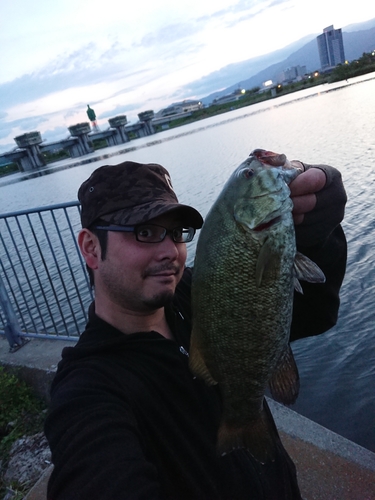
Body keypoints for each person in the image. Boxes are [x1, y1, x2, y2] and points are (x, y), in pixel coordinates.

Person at [44, 159, 347, 499]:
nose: (170, 252)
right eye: (145, 232)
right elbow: (94, 471)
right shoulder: (89, 392)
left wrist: (318, 230)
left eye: (176, 233)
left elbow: (316, 313)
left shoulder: (201, 289)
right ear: (90, 248)